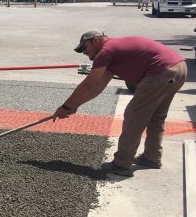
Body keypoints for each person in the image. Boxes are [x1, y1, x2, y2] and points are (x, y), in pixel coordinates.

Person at [54, 30, 187, 177]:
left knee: (134, 115)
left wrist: (65, 106)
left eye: (84, 47)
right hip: (178, 68)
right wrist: (75, 105)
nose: (83, 52)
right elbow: (98, 87)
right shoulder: (113, 52)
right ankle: (152, 157)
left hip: (162, 71)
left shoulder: (106, 51)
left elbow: (87, 84)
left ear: (96, 41)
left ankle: (122, 164)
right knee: (157, 116)